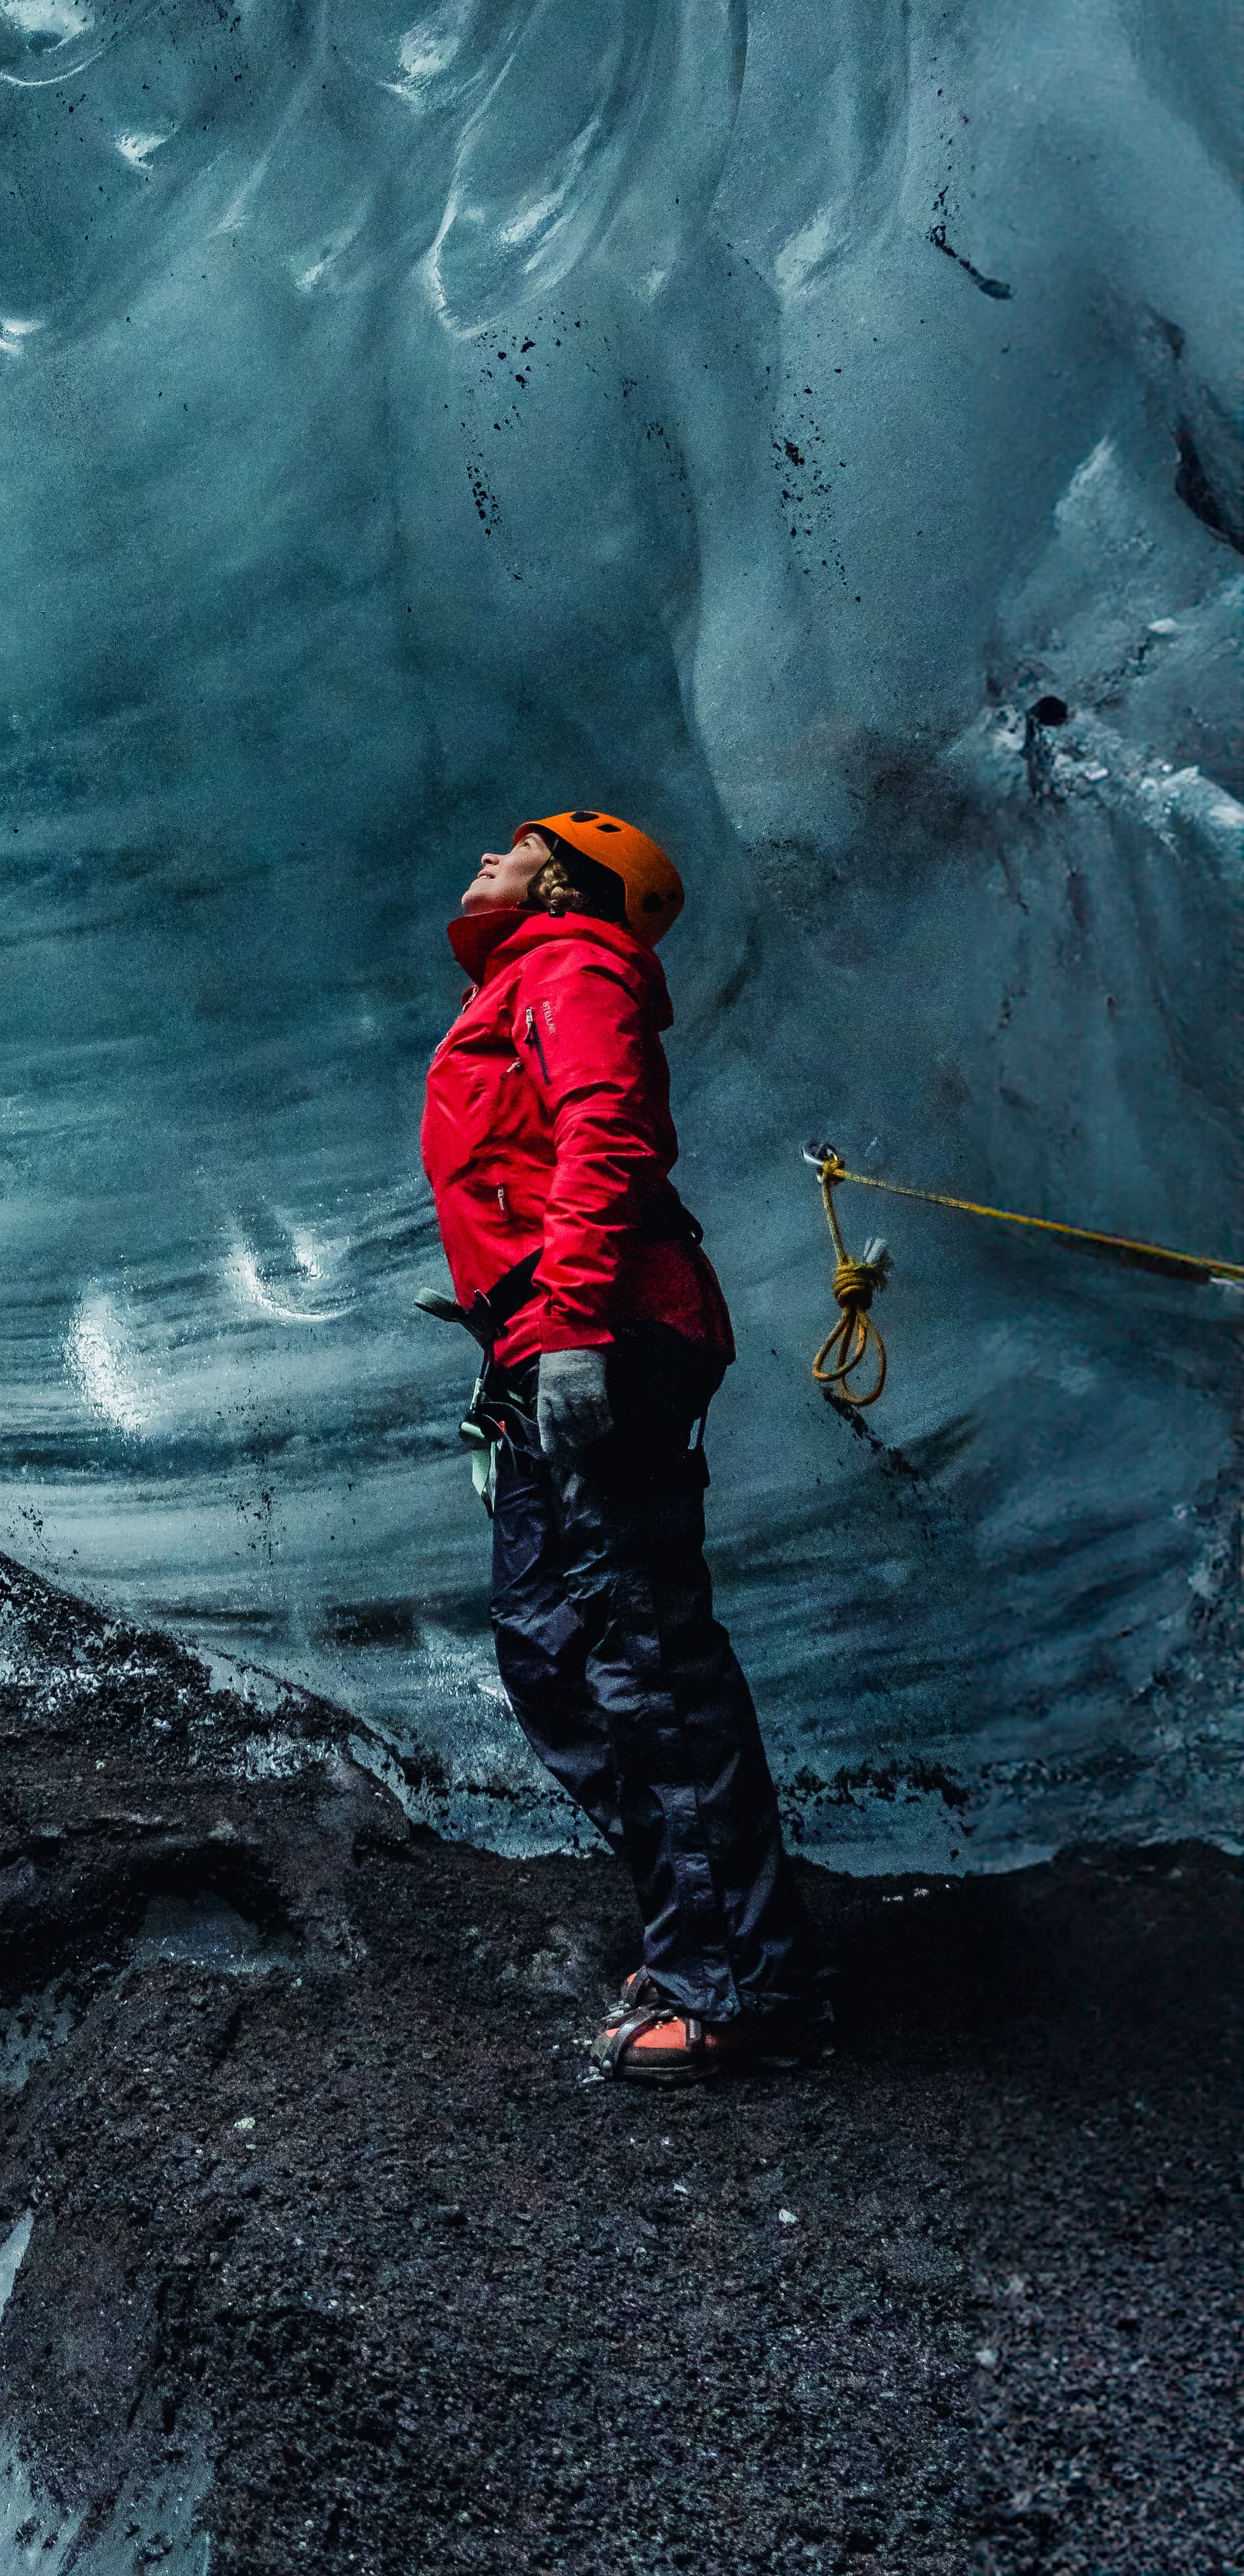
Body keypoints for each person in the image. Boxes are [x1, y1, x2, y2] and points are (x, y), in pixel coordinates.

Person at [421, 810, 827, 2082]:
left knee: (642, 1647)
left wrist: (575, 1325)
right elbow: (527, 1164)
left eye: (518, 838)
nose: (487, 848)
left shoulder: (575, 959)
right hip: (545, 1338)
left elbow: (607, 1132)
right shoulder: (526, 977)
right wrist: (513, 1324)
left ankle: (737, 1982)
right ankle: (696, 1926)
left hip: (603, 1332)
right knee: (552, 1651)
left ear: (571, 876)